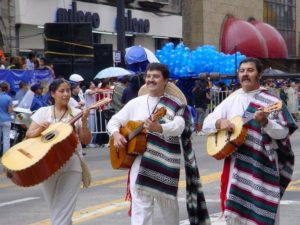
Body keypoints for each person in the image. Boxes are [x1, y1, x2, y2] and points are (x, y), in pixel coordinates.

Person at [107, 63, 210, 225]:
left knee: (168, 208)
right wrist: (116, 133)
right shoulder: (136, 103)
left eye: (155, 76)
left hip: (166, 162)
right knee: (140, 208)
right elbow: (114, 120)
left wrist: (160, 127)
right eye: (148, 76)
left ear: (166, 81)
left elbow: (179, 127)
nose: (150, 80)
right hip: (140, 162)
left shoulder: (176, 105)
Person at [202, 57, 297, 225]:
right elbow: (207, 123)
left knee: (263, 213)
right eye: (242, 71)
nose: (245, 74)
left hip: (263, 165)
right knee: (235, 216)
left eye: (250, 70)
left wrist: (265, 122)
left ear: (259, 75)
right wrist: (219, 123)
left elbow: (282, 133)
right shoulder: (232, 99)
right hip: (235, 165)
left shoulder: (272, 101)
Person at [25, 78, 92, 225]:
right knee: (56, 207)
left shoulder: (76, 113)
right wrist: (41, 129)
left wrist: (85, 122)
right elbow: (29, 135)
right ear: (53, 94)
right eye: (62, 91)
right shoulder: (43, 112)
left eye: (68, 91)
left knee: (63, 209)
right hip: (46, 164)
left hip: (71, 163)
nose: (66, 94)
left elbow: (86, 140)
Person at [0, 82, 13, 157]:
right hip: (6, 120)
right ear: (7, 88)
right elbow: (10, 111)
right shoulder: (9, 98)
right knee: (6, 139)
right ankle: (5, 157)